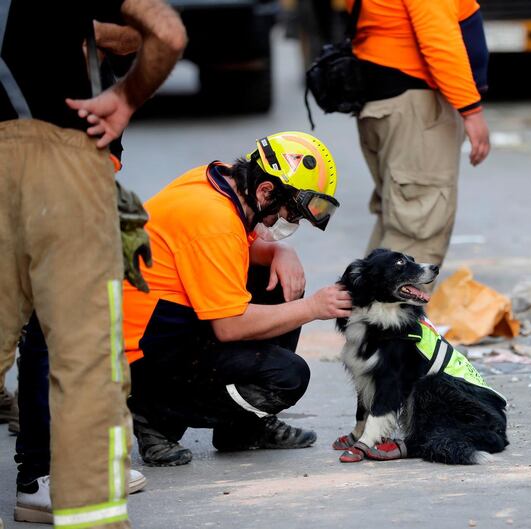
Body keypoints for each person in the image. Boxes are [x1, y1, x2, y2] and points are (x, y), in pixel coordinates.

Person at [0, 1, 185, 528]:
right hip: (66, 158)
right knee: (82, 359)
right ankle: (79, 506)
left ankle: (36, 476)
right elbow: (164, 34)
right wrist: (124, 95)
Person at [123, 132, 352, 466]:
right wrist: (312, 308)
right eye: (289, 214)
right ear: (265, 191)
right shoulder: (214, 219)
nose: (290, 223)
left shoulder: (219, 181)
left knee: (279, 284)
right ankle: (154, 415)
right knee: (289, 376)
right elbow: (229, 326)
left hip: (168, 328)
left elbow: (232, 248)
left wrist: (279, 250)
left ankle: (243, 428)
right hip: (141, 358)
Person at [350, 0, 491, 269]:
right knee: (419, 226)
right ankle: (386, 311)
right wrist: (471, 110)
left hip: (388, 101)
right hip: (414, 106)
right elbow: (439, 39)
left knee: (402, 221)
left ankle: (365, 308)